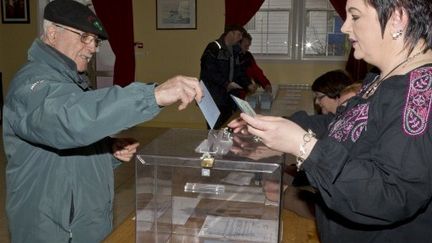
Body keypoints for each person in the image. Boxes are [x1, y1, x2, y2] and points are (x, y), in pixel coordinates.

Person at [228, 0, 432, 242]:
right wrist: (276, 125)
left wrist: (303, 145)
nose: (345, 27)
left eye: (354, 17)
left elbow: (391, 194)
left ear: (397, 18)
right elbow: (341, 126)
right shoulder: (382, 78)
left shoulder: (420, 92)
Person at [3, 1, 203, 243]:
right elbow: (68, 120)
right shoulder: (31, 83)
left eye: (95, 41)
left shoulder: (71, 81)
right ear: (53, 34)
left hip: (83, 224)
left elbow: (67, 148)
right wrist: (152, 96)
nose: (92, 48)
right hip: (50, 229)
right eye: (85, 37)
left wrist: (107, 151)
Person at [200, 25, 246, 129]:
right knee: (214, 128)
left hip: (227, 97)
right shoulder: (213, 47)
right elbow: (209, 71)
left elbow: (239, 71)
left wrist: (247, 84)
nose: (240, 38)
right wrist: (226, 83)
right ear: (230, 33)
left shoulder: (235, 51)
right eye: (239, 34)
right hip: (212, 96)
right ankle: (212, 145)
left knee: (226, 127)